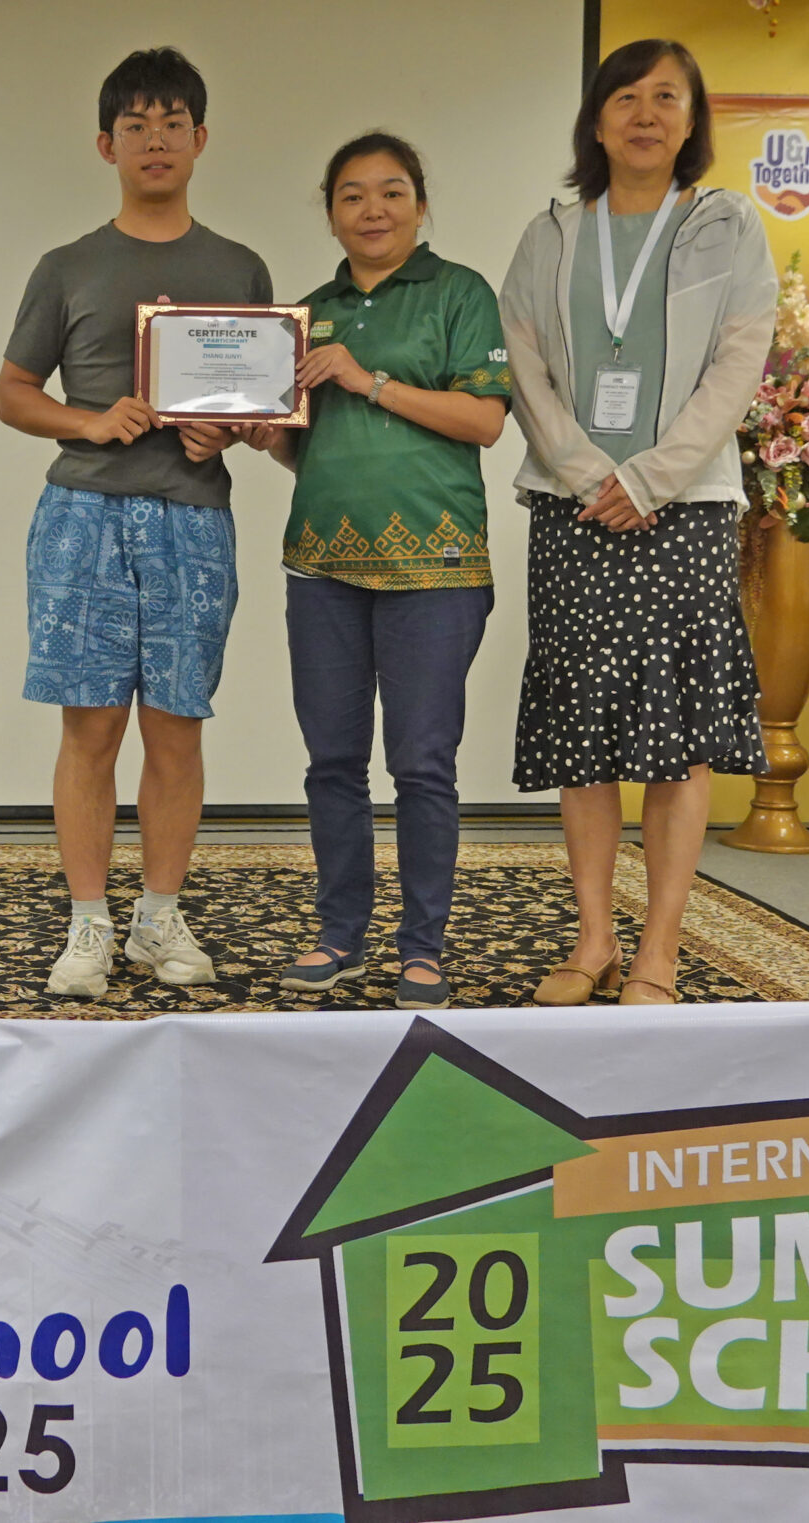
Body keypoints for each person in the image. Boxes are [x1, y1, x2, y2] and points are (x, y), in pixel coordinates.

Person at [497, 39, 778, 1007]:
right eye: (626, 96)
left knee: (676, 735)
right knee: (583, 732)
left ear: (692, 120)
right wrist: (589, 473)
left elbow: (739, 361)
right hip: (573, 509)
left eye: (666, 97)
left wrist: (650, 478)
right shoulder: (551, 232)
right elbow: (523, 360)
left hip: (683, 512)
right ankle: (593, 940)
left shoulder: (725, 225)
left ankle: (659, 949)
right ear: (597, 118)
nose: (645, 114)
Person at [0, 47, 274, 999]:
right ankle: (87, 924)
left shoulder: (237, 266)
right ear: (105, 144)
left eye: (172, 124)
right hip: (83, 515)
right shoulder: (67, 266)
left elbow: (262, 405)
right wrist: (88, 420)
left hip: (193, 519)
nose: (155, 140)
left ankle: (159, 918)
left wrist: (225, 430)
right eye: (136, 125)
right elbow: (13, 392)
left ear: (201, 139)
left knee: (178, 728)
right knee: (89, 729)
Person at [263, 133, 512, 1011]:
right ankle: (339, 935)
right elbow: (305, 447)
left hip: (436, 566)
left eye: (392, 192)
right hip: (322, 563)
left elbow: (484, 421)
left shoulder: (460, 292)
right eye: (353, 195)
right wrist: (259, 428)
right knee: (331, 761)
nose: (373, 210)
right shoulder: (307, 312)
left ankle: (422, 947)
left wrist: (367, 381)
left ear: (421, 203)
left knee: (421, 763)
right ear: (330, 212)